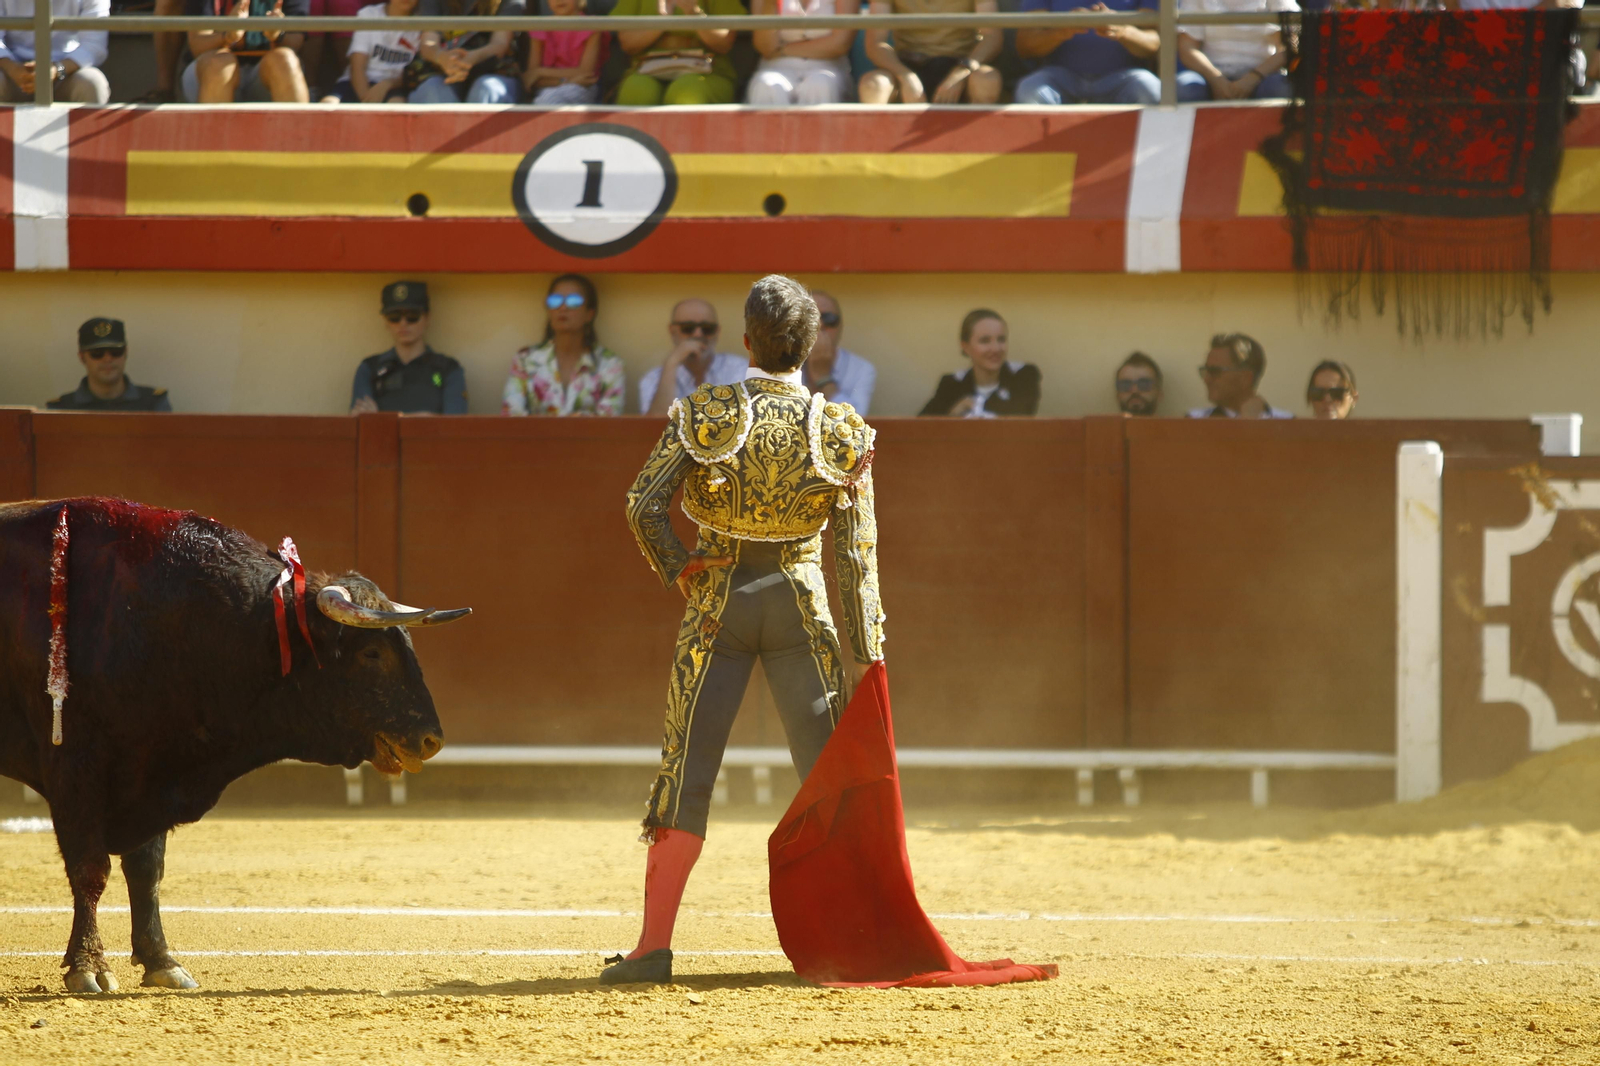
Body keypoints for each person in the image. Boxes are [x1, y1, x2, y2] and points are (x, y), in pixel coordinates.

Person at [615, 275, 883, 986]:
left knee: (688, 771)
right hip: (801, 602)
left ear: (744, 343)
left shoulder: (705, 411)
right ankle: (847, 943)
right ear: (811, 343)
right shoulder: (842, 428)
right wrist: (869, 651)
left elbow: (643, 506)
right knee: (823, 778)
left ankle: (652, 950)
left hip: (719, 600)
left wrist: (681, 567)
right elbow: (856, 552)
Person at [502, 274, 626, 416]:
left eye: (573, 301)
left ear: (589, 314)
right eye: (555, 301)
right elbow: (511, 418)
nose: (563, 307)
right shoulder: (525, 360)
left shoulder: (610, 364)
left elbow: (610, 424)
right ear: (548, 310)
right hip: (534, 439)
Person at [1015, 0, 1178, 105]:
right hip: (1060, 79)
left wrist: (1122, 30)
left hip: (1124, 80)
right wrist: (1061, 30)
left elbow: (1154, 45)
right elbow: (1025, 47)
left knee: (1151, 89)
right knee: (1029, 90)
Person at [350, 282, 468, 415]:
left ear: (427, 318)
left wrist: (382, 419)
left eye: (412, 316)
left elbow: (454, 426)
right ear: (386, 321)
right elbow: (362, 422)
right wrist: (426, 418)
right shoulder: (370, 368)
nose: (403, 323)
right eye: (394, 317)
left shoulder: (448, 369)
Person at [858, 0, 1002, 104]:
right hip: (906, 64)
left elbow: (992, 37)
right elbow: (875, 43)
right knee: (873, 85)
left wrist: (962, 71)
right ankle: (877, 145)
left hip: (961, 63)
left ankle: (978, 145)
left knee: (987, 80)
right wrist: (905, 76)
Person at [611, 0, 743, 106]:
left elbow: (723, 44)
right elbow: (628, 45)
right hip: (646, 68)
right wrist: (661, 23)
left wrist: (694, 14)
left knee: (685, 94)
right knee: (636, 91)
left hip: (708, 71)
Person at [919, 309, 1041, 417]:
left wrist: (972, 412)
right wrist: (951, 416)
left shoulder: (1023, 375)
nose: (995, 349)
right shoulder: (952, 383)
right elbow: (920, 428)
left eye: (1001, 339)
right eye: (985, 341)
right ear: (966, 347)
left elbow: (1019, 416)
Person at [184, 0, 311, 103]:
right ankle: (213, 134)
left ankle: (298, 134)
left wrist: (278, 35)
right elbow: (198, 46)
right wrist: (227, 35)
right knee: (220, 63)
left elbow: (295, 42)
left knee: (284, 60)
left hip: (263, 78)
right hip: (208, 74)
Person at [638, 299, 749, 415]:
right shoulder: (653, 378)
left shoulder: (741, 370)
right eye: (688, 328)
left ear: (717, 332)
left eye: (707, 328)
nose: (698, 334)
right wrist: (672, 363)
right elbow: (656, 426)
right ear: (672, 331)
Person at [1176, 0, 1295, 102]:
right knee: (1185, 88)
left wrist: (1252, 79)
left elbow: (1288, 47)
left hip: (1264, 76)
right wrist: (1216, 80)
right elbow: (1187, 47)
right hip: (1209, 77)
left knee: (1280, 87)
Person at [410, 0, 525, 105]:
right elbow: (428, 44)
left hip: (495, 71)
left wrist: (469, 59)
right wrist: (441, 58)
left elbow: (500, 44)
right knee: (433, 90)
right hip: (445, 71)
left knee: (486, 89)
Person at [747, 0, 857, 106]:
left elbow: (841, 43)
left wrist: (782, 50)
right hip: (776, 67)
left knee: (820, 84)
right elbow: (766, 47)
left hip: (828, 67)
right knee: (766, 85)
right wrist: (770, 4)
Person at [47, 319, 172, 412]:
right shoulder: (61, 409)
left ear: (126, 353)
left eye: (115, 352)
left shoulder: (153, 405)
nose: (107, 359)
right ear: (81, 357)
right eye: (97, 353)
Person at [0, 0, 110, 104]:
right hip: (10, 72)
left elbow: (94, 45)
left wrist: (56, 70)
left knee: (92, 82)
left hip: (66, 72)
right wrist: (12, 68)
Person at [321, 0, 421, 103]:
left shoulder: (423, 23)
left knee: (397, 106)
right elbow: (357, 67)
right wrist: (367, 102)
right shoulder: (368, 15)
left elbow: (414, 73)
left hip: (394, 87)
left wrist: (387, 84)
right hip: (356, 83)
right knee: (328, 104)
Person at [1187, 332, 1293, 419]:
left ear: (1245, 378)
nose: (1206, 379)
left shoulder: (1287, 424)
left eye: (1215, 371)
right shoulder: (1192, 421)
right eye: (1205, 370)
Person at [803, 291, 876, 414]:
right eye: (810, 317)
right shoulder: (778, 365)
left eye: (829, 318)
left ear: (840, 327)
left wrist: (823, 378)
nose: (820, 325)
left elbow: (856, 421)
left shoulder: (861, 369)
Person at [523, 0, 606, 105]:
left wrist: (540, 72)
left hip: (582, 88)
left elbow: (586, 74)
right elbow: (532, 79)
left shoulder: (592, 25)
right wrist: (567, 81)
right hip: (547, 90)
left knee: (547, 100)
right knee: (546, 98)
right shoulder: (539, 27)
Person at [1115, 351, 1162, 417]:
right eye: (1125, 385)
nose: (1134, 390)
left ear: (1159, 394)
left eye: (1144, 384)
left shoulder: (1178, 427)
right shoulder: (1099, 427)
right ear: (1117, 395)